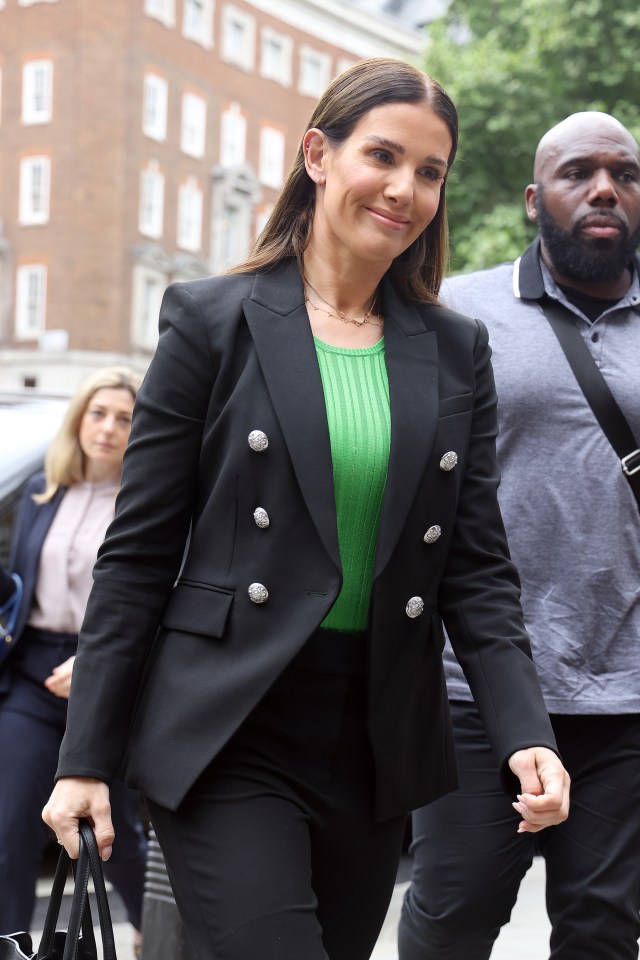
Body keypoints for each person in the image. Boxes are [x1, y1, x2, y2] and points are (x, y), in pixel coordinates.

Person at [43, 58, 569, 960]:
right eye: (383, 156)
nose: (405, 189)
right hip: (229, 722)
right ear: (317, 156)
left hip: (374, 739)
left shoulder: (455, 351)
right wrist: (82, 758)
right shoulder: (213, 322)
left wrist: (526, 733)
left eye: (430, 171)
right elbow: (136, 556)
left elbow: (476, 569)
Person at [399, 111, 640, 960]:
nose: (605, 187)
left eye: (624, 173)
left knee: (604, 934)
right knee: (452, 919)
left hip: (626, 696)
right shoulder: (457, 309)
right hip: (471, 688)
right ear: (536, 198)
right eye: (580, 173)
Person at [0, 367, 147, 953]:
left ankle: (153, 931)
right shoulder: (41, 493)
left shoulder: (144, 502)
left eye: (123, 417)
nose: (108, 428)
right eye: (97, 413)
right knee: (11, 823)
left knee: (120, 834)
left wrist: (93, 662)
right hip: (34, 670)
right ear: (78, 419)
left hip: (107, 672)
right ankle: (11, 943)